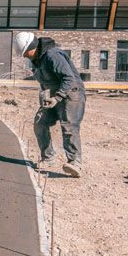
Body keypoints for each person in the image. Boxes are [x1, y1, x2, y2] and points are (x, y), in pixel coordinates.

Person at [13, 31, 86, 178]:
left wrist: (57, 97)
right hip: (54, 96)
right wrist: (46, 97)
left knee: (69, 127)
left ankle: (75, 162)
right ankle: (48, 157)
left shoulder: (53, 55)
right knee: (40, 122)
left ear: (32, 47)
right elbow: (45, 82)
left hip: (71, 94)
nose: (25, 56)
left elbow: (68, 78)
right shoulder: (38, 60)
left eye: (26, 53)